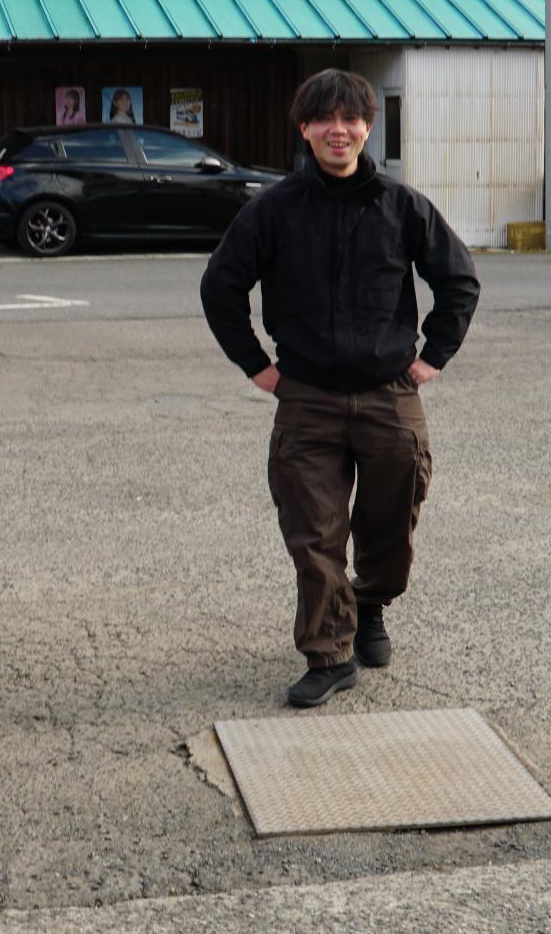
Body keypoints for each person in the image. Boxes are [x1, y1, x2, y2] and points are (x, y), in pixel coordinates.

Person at [200, 69, 480, 707]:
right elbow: (220, 287)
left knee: (391, 519)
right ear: (304, 128)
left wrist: (432, 357)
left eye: (350, 119)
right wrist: (258, 366)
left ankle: (371, 603)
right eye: (323, 119)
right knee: (314, 529)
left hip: (389, 394)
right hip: (306, 398)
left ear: (367, 127)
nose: (338, 130)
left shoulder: (401, 205)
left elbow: (459, 279)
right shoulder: (271, 210)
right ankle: (328, 654)